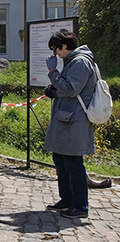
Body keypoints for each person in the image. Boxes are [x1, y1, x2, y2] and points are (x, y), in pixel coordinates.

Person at [43, 29, 97, 219]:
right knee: (61, 160)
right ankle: (66, 199)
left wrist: (52, 72)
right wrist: (54, 90)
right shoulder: (72, 61)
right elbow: (65, 87)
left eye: (56, 49)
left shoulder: (80, 61)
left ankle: (80, 205)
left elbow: (71, 88)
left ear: (65, 46)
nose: (55, 53)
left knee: (73, 162)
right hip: (66, 118)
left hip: (75, 120)